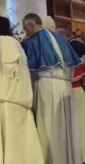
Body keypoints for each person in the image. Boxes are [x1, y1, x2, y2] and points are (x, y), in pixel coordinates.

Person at [0, 16, 43, 164]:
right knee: (19, 151)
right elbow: (25, 77)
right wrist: (26, 102)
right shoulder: (16, 46)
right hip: (16, 106)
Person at [22, 13, 81, 164]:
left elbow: (27, 71)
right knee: (66, 128)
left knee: (49, 126)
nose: (25, 32)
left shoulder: (33, 41)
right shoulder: (60, 38)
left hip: (47, 86)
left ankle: (51, 160)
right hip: (66, 87)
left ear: (31, 25)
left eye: (25, 29)